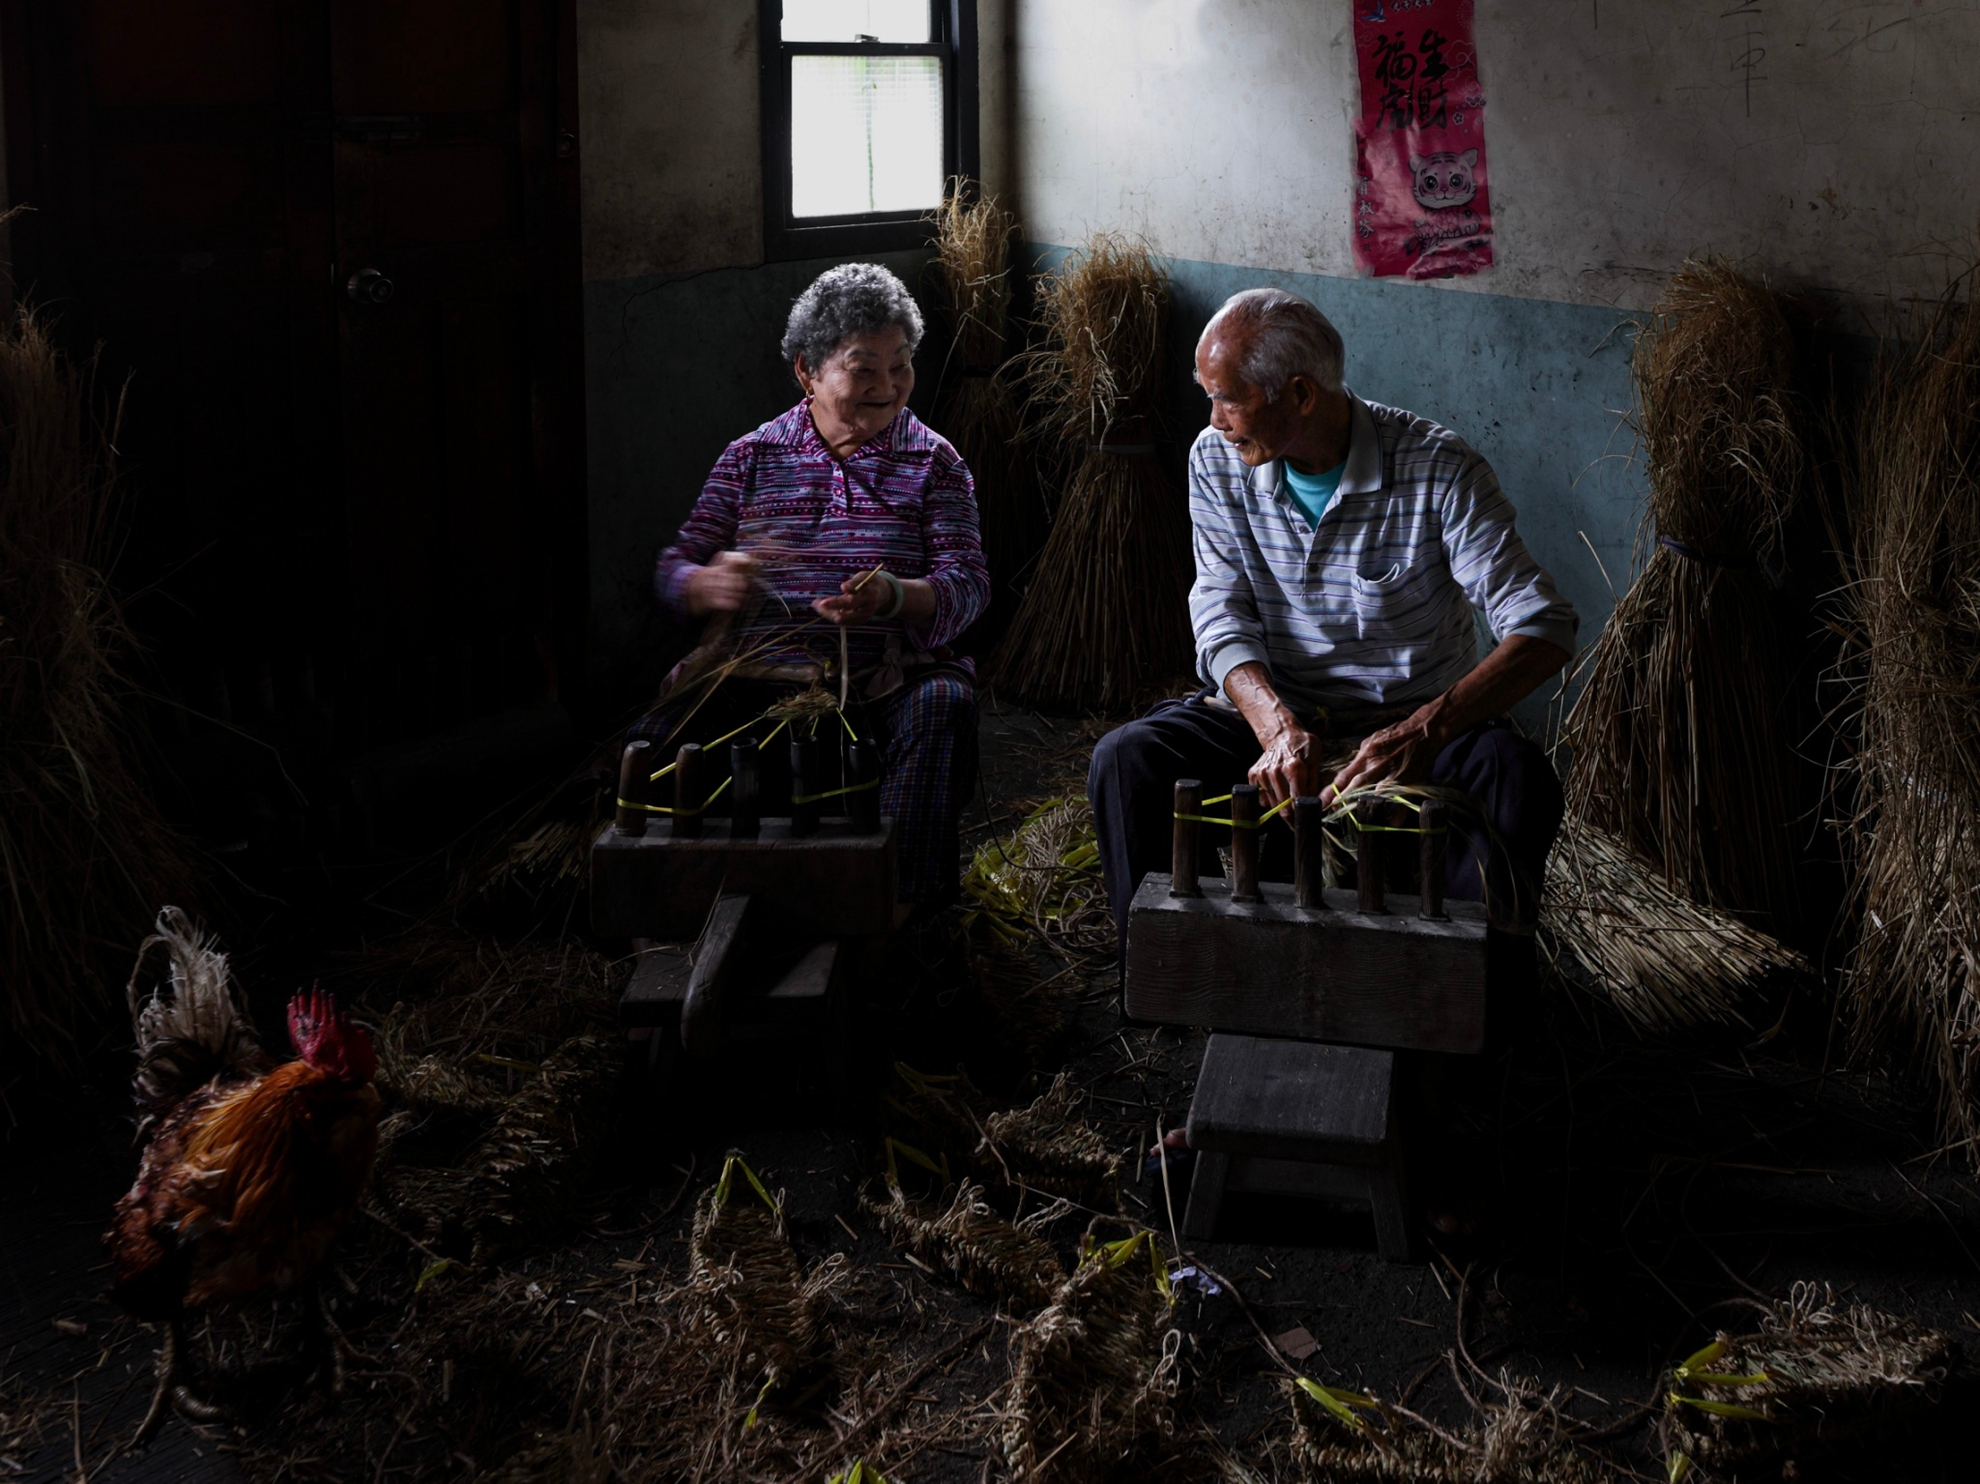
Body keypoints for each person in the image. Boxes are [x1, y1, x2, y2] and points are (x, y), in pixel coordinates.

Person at [1089, 286, 1577, 945]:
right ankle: (1164, 965)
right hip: (1279, 723)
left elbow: (1544, 627)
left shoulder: (1438, 470)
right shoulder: (1216, 461)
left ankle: (1459, 993)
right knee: (1127, 759)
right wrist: (1274, 726)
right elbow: (1220, 608)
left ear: (1300, 394)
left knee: (1519, 780)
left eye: (1228, 397)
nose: (1214, 419)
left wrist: (1425, 730)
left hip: (1412, 726)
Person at [635, 262, 989, 916]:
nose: (888, 386)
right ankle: (673, 915)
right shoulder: (753, 457)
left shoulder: (934, 463)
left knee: (945, 704)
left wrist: (894, 596)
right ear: (808, 371)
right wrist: (705, 582)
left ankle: (901, 916)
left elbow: (967, 587)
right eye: (864, 367)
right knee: (654, 741)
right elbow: (673, 566)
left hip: (885, 678)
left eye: (902, 364)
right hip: (758, 674)